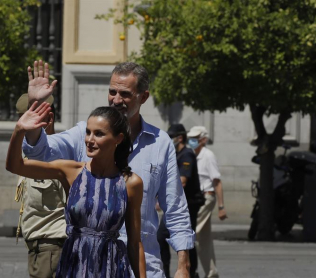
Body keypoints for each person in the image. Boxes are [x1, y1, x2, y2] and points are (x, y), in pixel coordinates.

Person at [22, 60, 195, 277]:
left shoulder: (160, 143)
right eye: (112, 92)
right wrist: (34, 107)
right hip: (90, 267)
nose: (116, 100)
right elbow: (39, 152)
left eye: (125, 94)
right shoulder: (84, 134)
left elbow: (175, 206)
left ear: (144, 97)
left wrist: (183, 264)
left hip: (143, 267)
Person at [6, 103, 146, 277]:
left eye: (99, 134)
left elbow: (134, 243)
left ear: (118, 139)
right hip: (74, 266)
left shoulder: (131, 183)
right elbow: (15, 166)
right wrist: (19, 130)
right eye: (88, 132)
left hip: (111, 268)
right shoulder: (71, 171)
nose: (89, 139)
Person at [15, 94, 67, 278]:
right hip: (37, 247)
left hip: (52, 247)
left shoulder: (59, 159)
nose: (25, 128)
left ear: (48, 120)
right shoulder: (27, 155)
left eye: (32, 122)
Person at [158, 124, 204, 278]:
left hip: (189, 203)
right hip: (178, 202)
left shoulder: (187, 155)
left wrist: (164, 197)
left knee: (184, 236)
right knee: (165, 236)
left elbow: (182, 181)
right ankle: (166, 271)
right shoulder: (175, 154)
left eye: (171, 136)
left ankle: (191, 271)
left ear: (180, 137)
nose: (169, 139)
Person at [187, 126, 227, 278]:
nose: (192, 141)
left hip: (206, 198)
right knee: (204, 239)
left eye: (195, 138)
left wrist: (221, 206)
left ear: (203, 140)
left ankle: (190, 270)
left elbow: (217, 181)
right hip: (195, 199)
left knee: (192, 234)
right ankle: (212, 273)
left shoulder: (208, 155)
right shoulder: (190, 154)